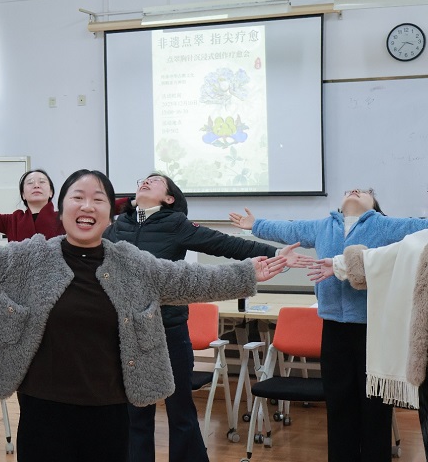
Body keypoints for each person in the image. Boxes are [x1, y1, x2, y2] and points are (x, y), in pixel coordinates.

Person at [0, 169, 287, 462]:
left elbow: (192, 281)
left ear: (109, 214)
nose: (87, 205)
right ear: (62, 211)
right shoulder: (27, 258)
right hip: (44, 406)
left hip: (111, 406)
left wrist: (249, 272)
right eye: (77, 197)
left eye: (98, 199)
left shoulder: (134, 264)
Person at [103, 172, 314, 462]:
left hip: (169, 329)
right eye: (143, 180)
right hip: (130, 332)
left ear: (169, 198)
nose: (146, 182)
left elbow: (225, 244)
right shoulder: (118, 226)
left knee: (180, 411)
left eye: (156, 180)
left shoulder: (176, 223)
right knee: (135, 414)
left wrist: (275, 253)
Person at [229, 188, 428, 462]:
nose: (355, 191)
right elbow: (290, 230)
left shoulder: (386, 225)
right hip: (333, 329)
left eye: (364, 191)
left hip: (373, 330)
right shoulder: (323, 226)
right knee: (338, 407)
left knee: (375, 409)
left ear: (375, 205)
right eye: (349, 190)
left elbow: (421, 229)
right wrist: (256, 225)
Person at [308, 230, 428, 459]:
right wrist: (340, 264)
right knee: (342, 410)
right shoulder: (419, 240)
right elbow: (386, 258)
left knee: (374, 416)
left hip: (366, 332)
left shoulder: (387, 226)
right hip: (347, 332)